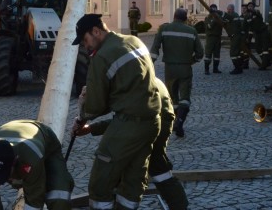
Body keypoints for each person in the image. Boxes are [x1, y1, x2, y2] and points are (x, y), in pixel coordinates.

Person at [71, 14, 161, 210]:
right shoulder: (134, 40)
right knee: (133, 181)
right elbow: (130, 85)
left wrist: (82, 114)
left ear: (96, 31)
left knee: (100, 182)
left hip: (128, 126)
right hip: (153, 121)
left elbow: (95, 105)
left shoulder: (102, 56)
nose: (86, 47)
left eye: (85, 40)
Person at [75, 78, 189, 209]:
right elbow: (124, 120)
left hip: (151, 123)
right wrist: (91, 128)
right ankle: (180, 205)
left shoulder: (123, 82)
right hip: (157, 121)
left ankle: (178, 205)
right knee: (155, 166)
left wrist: (84, 118)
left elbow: (127, 122)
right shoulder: (135, 76)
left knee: (147, 165)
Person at [0, 120, 74, 210]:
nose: (1, 181)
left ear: (14, 162)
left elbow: (34, 201)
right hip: (8, 132)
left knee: (59, 196)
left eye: (4, 174)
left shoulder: (31, 160)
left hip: (46, 144)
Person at [151, 8, 204, 137]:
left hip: (170, 68)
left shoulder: (164, 29)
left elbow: (155, 48)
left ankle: (175, 121)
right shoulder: (191, 31)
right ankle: (180, 121)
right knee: (185, 97)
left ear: (174, 17)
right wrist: (192, 60)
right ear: (186, 18)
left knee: (172, 96)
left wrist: (150, 63)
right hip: (185, 67)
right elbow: (200, 53)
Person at [245, 2, 272, 69]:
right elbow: (250, 28)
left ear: (254, 7)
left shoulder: (257, 12)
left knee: (265, 49)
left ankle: (264, 65)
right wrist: (249, 39)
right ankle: (266, 62)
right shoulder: (248, 16)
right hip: (257, 33)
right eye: (249, 6)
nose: (250, 7)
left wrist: (252, 11)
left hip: (264, 32)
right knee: (258, 48)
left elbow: (256, 12)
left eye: (251, 6)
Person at [222, 4, 245, 74]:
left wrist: (218, 12)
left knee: (233, 53)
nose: (228, 10)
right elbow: (225, 21)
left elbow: (227, 17)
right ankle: (239, 68)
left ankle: (237, 68)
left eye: (229, 9)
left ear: (232, 9)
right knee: (237, 53)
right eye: (227, 9)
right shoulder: (233, 15)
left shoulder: (234, 15)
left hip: (236, 36)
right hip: (234, 36)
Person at [203, 4, 224, 74]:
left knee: (217, 54)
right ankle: (206, 69)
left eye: (215, 9)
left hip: (218, 37)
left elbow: (223, 23)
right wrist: (214, 19)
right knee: (208, 54)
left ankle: (215, 68)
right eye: (212, 9)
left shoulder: (219, 17)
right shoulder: (207, 18)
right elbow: (209, 26)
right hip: (210, 38)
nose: (214, 10)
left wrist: (218, 16)